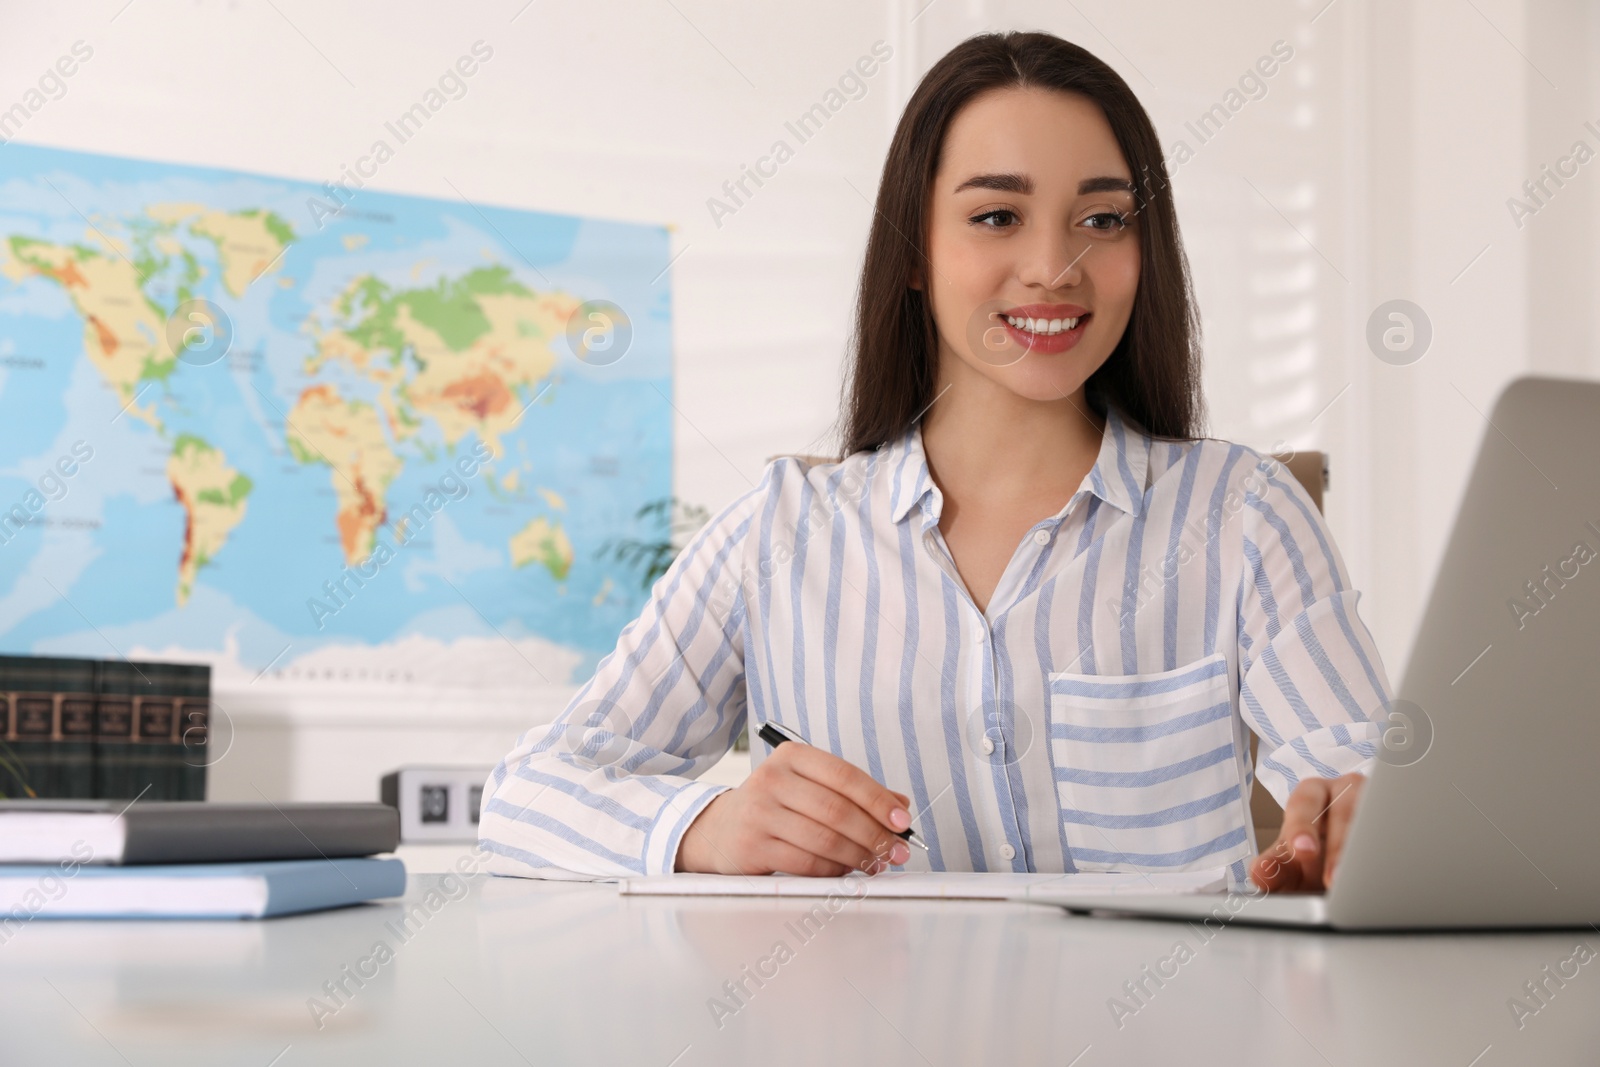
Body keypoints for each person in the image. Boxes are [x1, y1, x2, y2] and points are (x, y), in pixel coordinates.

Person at [478, 30, 1390, 894]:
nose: (1054, 266)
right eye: (997, 215)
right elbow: (527, 795)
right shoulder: (781, 532)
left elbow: (1371, 786)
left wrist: (1355, 830)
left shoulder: (1244, 516)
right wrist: (703, 826)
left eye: (1103, 219)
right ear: (914, 250)